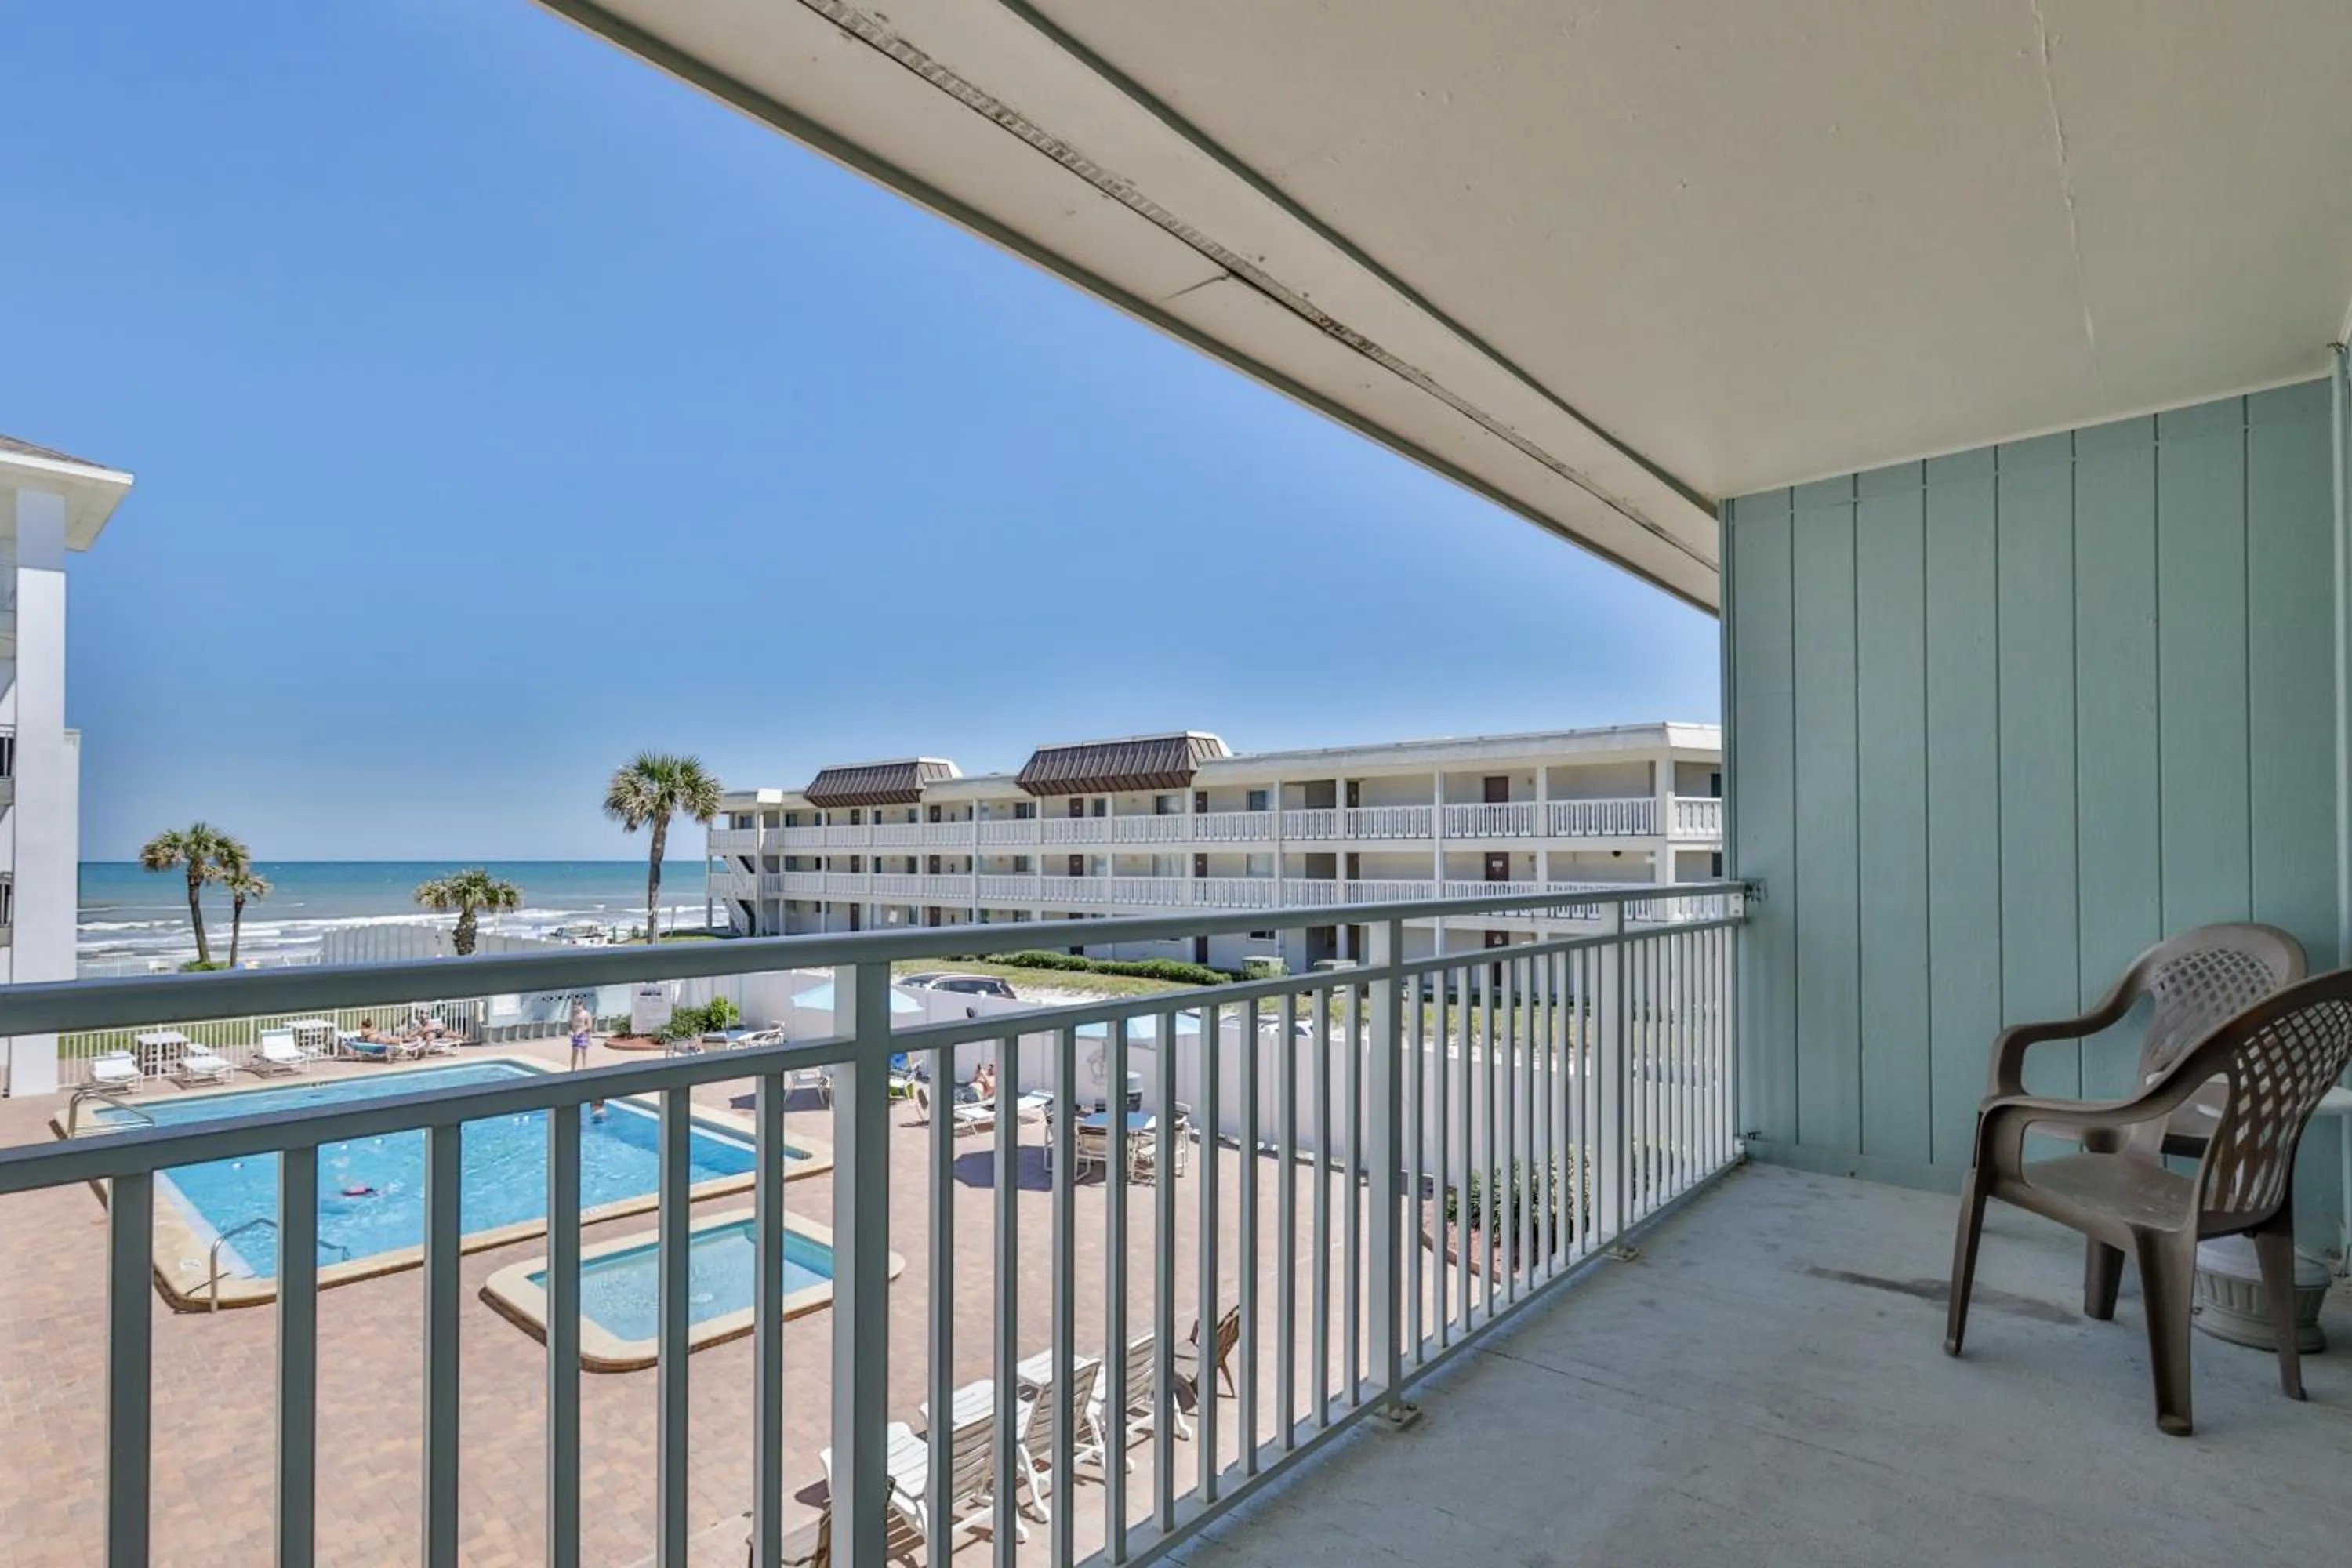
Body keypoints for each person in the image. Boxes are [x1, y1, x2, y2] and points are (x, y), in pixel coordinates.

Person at [570, 1000, 593, 1069]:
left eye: (577, 1006)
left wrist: (581, 1031)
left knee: (584, 1053)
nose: (576, 1008)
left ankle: (584, 1068)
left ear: (582, 1005)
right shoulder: (573, 1013)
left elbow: (589, 1026)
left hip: (583, 1035)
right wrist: (570, 1031)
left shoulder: (586, 1014)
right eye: (574, 1006)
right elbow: (570, 1025)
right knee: (574, 1052)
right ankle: (572, 1069)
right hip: (575, 1035)